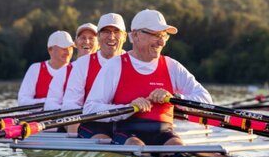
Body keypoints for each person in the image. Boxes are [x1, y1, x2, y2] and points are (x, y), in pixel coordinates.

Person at [83, 9, 212, 147]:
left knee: (177, 145)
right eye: (156, 35)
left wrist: (175, 98)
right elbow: (90, 109)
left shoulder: (172, 66)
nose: (161, 42)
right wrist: (128, 108)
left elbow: (206, 102)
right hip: (127, 134)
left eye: (164, 36)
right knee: (136, 145)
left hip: (164, 133)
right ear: (136, 35)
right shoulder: (115, 65)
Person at [61, 13, 127, 138]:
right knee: (74, 123)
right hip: (93, 121)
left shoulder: (133, 62)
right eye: (106, 31)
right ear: (98, 36)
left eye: (116, 32)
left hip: (125, 123)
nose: (111, 36)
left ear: (124, 36)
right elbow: (70, 104)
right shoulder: (83, 64)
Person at [44, 23, 99, 111]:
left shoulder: (107, 68)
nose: (87, 41)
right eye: (83, 38)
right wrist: (69, 108)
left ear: (99, 44)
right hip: (74, 120)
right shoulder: (63, 72)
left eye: (91, 38)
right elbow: (50, 105)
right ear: (76, 43)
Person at [18, 31, 74, 106]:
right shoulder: (35, 69)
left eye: (70, 47)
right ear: (50, 50)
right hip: (39, 116)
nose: (68, 52)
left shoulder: (76, 70)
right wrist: (50, 102)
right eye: (63, 48)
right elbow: (22, 101)